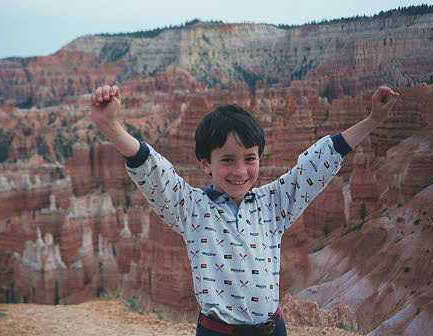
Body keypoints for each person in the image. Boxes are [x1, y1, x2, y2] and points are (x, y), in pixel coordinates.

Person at [90, 84, 399, 336]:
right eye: (227, 160)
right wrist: (112, 126)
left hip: (272, 329)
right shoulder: (193, 210)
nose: (240, 170)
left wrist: (373, 120)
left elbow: (318, 162)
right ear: (205, 164)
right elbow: (154, 172)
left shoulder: (273, 204)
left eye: (249, 158)